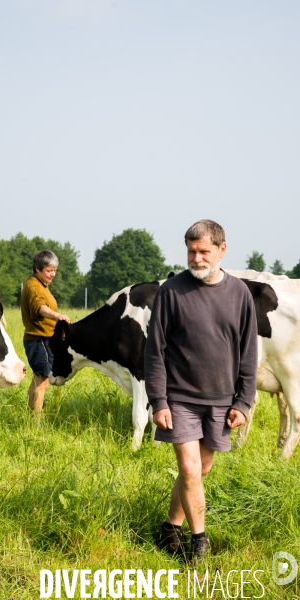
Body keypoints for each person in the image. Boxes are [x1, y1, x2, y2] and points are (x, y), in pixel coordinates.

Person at [144, 219, 258, 564]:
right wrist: (159, 401)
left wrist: (244, 401)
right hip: (179, 399)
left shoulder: (239, 294)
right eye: (191, 251)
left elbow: (249, 352)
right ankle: (199, 542)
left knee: (201, 470)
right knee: (191, 471)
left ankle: (170, 527)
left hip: (221, 401)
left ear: (222, 250)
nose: (196, 258)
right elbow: (155, 351)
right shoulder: (171, 292)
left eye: (203, 251)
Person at [21, 250, 71, 413]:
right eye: (49, 270)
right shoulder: (34, 286)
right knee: (42, 380)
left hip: (43, 339)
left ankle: (31, 418)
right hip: (39, 339)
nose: (53, 274)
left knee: (39, 379)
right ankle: (35, 424)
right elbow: (40, 307)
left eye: (54, 270)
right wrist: (57, 316)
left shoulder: (41, 285)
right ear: (37, 269)